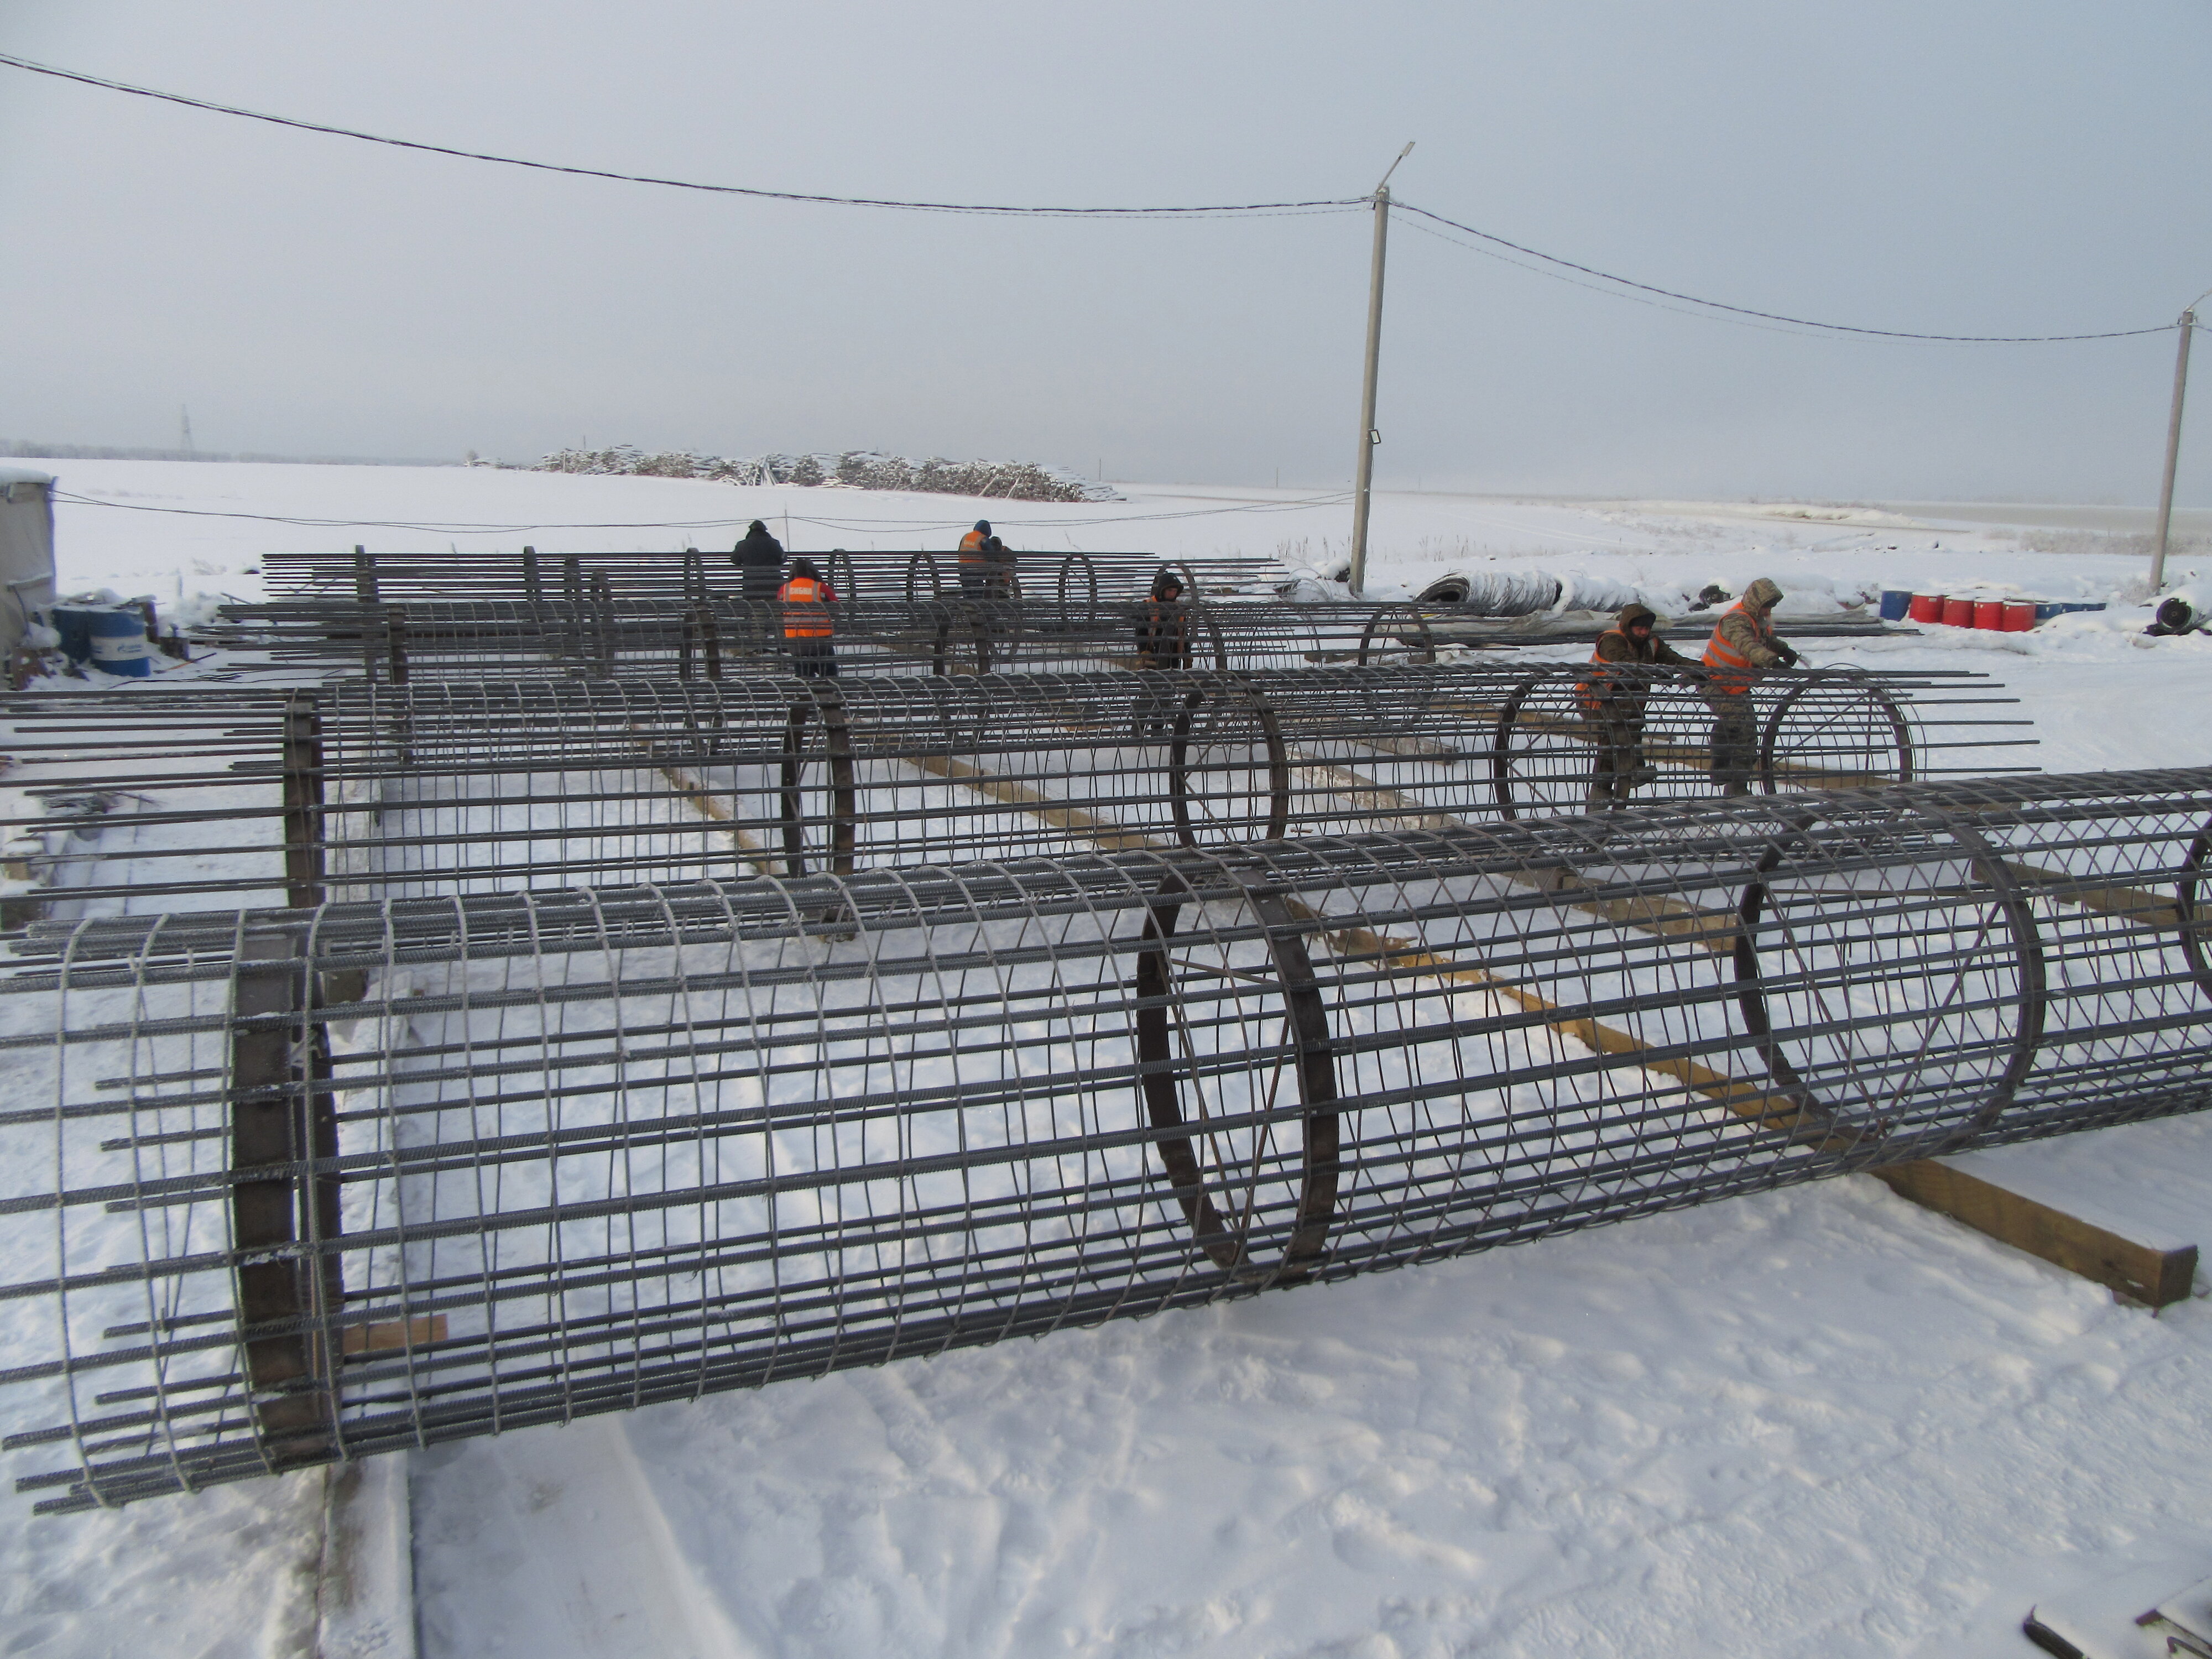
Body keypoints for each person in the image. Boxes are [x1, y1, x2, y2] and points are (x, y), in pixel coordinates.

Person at [1577, 602, 1697, 806]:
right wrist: (1655, 672)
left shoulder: (1651, 642)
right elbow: (1625, 663)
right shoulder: (1612, 640)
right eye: (1639, 628)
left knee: (1631, 727)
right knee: (1613, 738)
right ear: (1627, 625)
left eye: (1647, 628)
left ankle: (1630, 771)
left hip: (1627, 702)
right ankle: (1603, 789)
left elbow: (1673, 658)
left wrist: (1698, 668)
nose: (1643, 632)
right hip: (1595, 700)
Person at [1700, 577, 1799, 795]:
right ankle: (1724, 774)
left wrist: (1784, 650)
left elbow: (1765, 639)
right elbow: (1747, 644)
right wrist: (1770, 660)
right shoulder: (1735, 621)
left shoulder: (1756, 620)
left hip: (1735, 685)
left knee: (1747, 732)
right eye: (1766, 605)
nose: (1768, 611)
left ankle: (1736, 785)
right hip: (1713, 682)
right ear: (1756, 601)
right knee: (1736, 723)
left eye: (1771, 607)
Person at [1133, 570, 1190, 736]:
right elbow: (1141, 632)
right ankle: (1138, 728)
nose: (1172, 594)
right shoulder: (1148, 605)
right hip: (1153, 656)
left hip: (1172, 658)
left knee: (1167, 695)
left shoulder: (1179, 609)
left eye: (1175, 592)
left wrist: (1187, 656)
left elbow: (1184, 635)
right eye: (1170, 591)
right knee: (1147, 694)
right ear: (1162, 590)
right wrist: (1144, 651)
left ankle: (1158, 728)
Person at [780, 556, 837, 679]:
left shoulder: (784, 589)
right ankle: (829, 695)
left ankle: (804, 696)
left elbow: (779, 610)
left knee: (804, 678)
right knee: (829, 676)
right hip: (821, 641)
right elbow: (836, 607)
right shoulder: (820, 587)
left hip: (796, 642)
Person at [731, 520, 785, 650]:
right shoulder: (774, 543)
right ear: (765, 530)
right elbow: (783, 559)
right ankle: (784, 644)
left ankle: (760, 646)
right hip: (774, 587)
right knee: (779, 618)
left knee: (758, 618)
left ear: (751, 530)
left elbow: (735, 560)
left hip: (753, 588)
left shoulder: (742, 545)